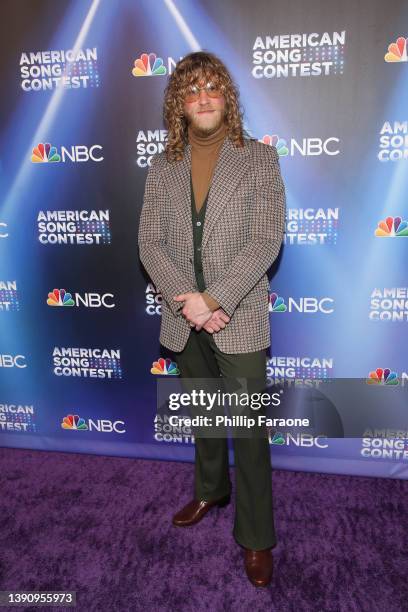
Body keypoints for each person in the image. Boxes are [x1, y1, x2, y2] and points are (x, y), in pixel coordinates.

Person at [138, 50, 286, 587]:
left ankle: (256, 537)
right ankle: (209, 490)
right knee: (204, 414)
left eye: (212, 88)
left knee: (248, 431)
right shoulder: (162, 167)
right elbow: (148, 242)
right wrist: (187, 299)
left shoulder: (259, 160)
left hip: (238, 313)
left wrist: (216, 298)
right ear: (179, 102)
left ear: (227, 97)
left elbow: (266, 240)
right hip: (184, 317)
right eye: (191, 90)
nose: (202, 98)